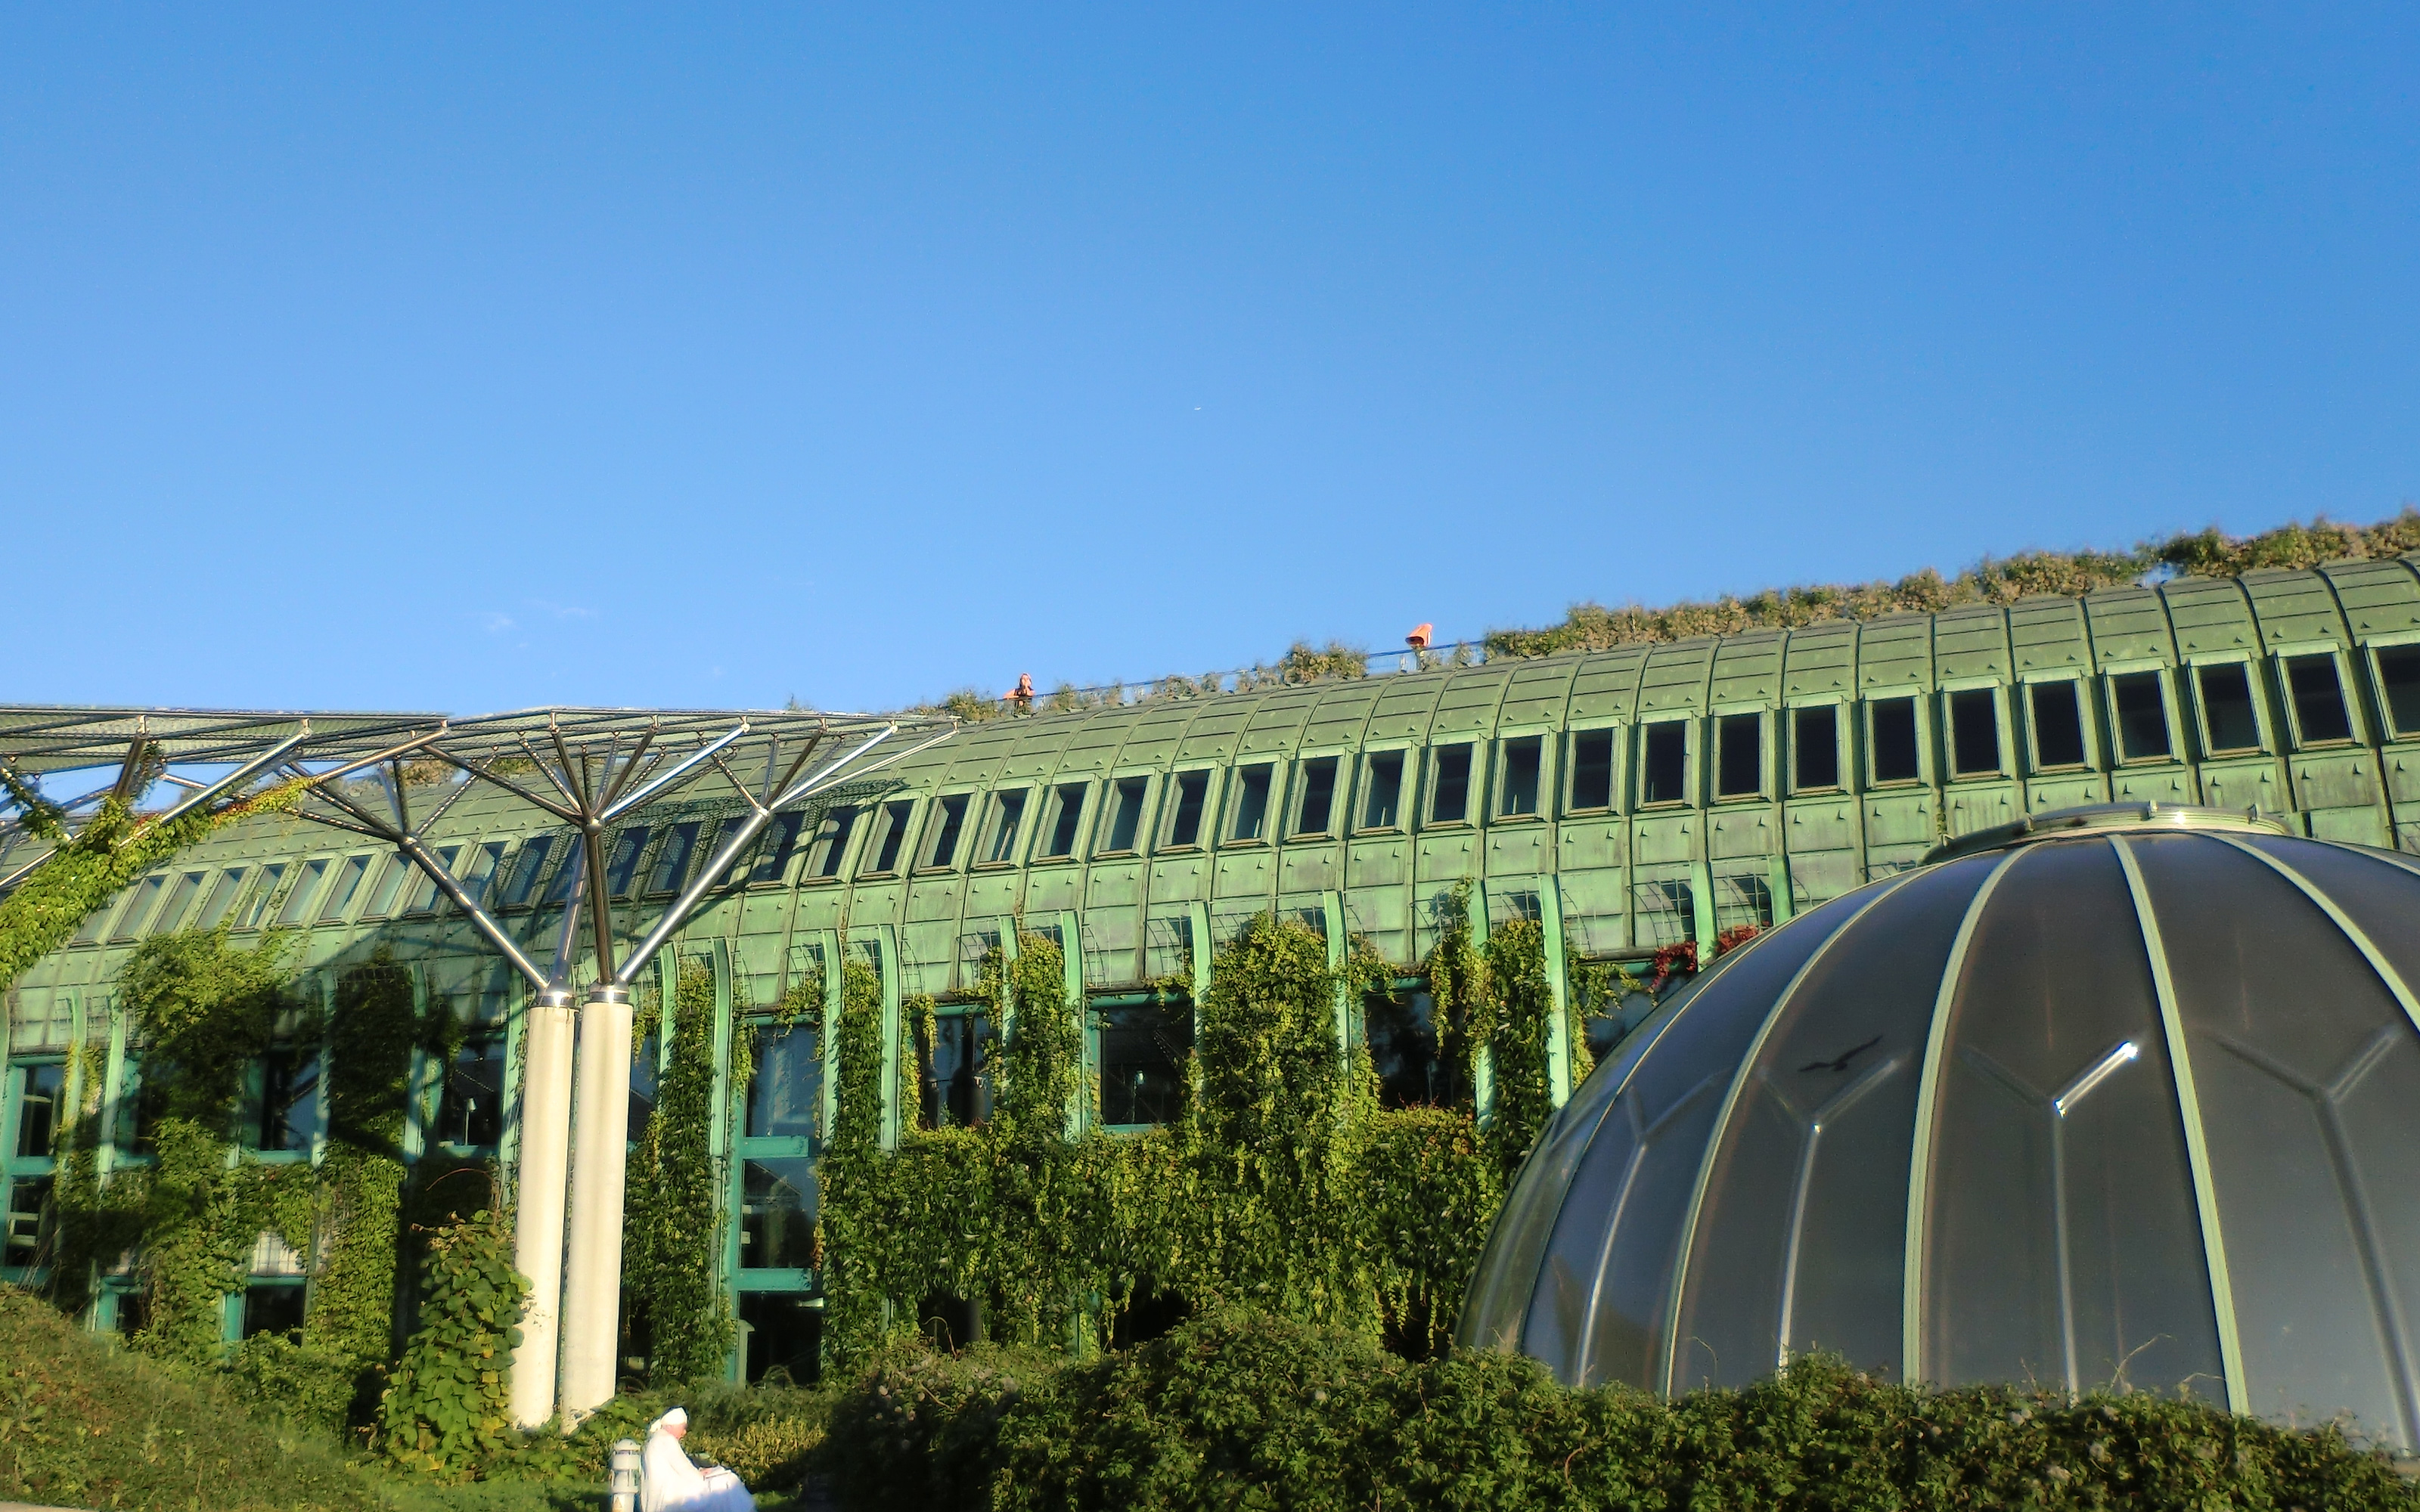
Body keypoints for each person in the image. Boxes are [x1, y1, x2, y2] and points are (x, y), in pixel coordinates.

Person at [640, 1408, 754, 1512]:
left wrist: (700, 1472)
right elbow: (685, 1470)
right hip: (672, 1499)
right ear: (672, 1426)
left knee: (721, 1478)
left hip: (668, 1495)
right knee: (727, 1481)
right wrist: (701, 1476)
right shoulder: (666, 1440)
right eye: (683, 1428)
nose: (684, 1433)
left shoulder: (657, 1439)